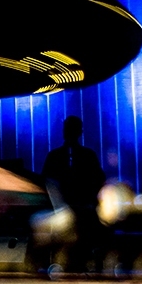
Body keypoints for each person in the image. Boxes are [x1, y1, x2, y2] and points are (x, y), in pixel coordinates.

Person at [42, 116, 106, 273]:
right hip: (64, 209)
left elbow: (98, 181)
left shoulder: (87, 156)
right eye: (67, 128)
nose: (68, 132)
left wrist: (89, 202)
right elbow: (46, 183)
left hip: (83, 209)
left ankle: (81, 260)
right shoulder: (55, 156)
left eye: (71, 129)